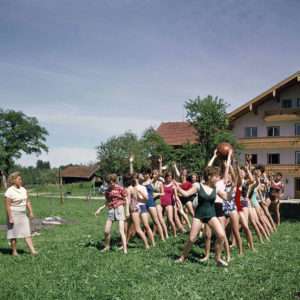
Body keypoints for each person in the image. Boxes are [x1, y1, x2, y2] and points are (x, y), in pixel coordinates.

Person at [176, 166, 228, 267]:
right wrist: (177, 187)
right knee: (192, 239)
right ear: (209, 176)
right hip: (199, 216)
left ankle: (218, 258)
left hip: (211, 215)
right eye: (216, 176)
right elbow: (186, 194)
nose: (218, 178)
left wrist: (233, 190)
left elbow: (226, 197)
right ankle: (182, 257)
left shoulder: (215, 188)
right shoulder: (198, 186)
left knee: (221, 235)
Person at [4, 172, 38, 256]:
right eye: (19, 179)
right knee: (13, 233)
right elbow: (7, 206)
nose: (21, 181)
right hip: (13, 214)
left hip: (23, 214)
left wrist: (31, 211)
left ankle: (32, 251)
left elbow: (27, 201)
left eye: (21, 179)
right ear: (13, 180)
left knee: (27, 232)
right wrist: (10, 217)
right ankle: (14, 251)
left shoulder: (23, 190)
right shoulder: (9, 191)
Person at [102, 174, 128, 254]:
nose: (111, 183)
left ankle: (125, 249)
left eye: (113, 181)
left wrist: (127, 211)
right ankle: (107, 246)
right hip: (111, 210)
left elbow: (126, 199)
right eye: (109, 182)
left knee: (121, 231)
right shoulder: (107, 191)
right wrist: (100, 209)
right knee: (106, 231)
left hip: (119, 209)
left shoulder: (120, 188)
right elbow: (107, 201)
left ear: (115, 180)